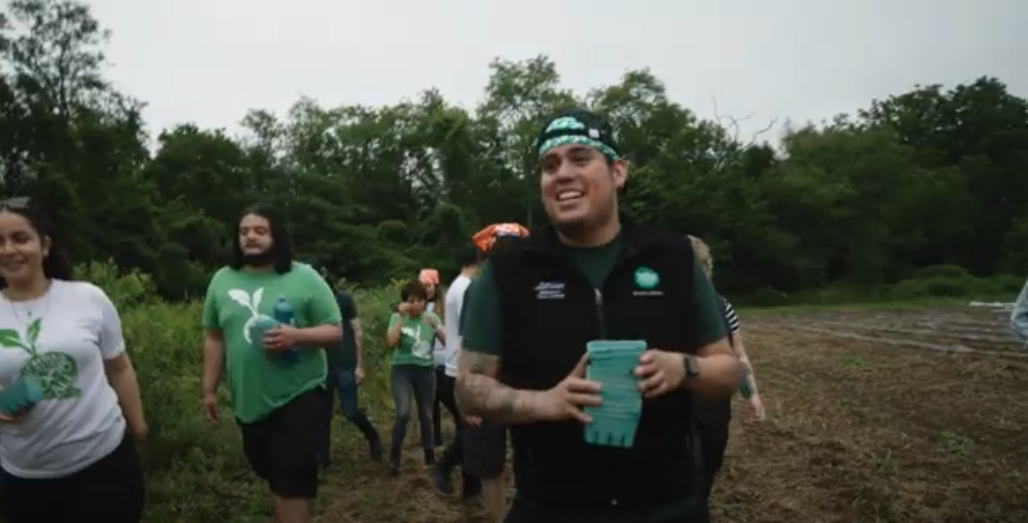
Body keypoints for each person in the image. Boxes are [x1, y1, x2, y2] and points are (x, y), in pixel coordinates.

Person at [455, 109, 743, 523]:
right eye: (550, 166)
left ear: (618, 172)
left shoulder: (674, 258)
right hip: (551, 508)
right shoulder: (508, 269)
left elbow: (728, 372)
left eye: (580, 158)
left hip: (668, 507)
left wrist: (682, 368)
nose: (562, 174)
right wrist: (545, 403)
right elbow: (468, 387)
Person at [0, 197, 146, 523]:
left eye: (20, 238)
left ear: (45, 244)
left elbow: (119, 367)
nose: (8, 250)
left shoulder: (87, 298)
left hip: (104, 466)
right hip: (24, 480)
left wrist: (139, 428)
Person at [202, 204, 342, 523]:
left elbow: (335, 331)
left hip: (299, 392)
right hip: (249, 400)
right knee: (273, 474)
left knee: (291, 477)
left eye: (260, 231)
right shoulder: (222, 281)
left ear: (276, 236)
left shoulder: (303, 277)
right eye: (244, 231)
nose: (251, 237)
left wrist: (296, 336)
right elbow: (214, 337)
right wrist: (208, 388)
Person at [688, 235, 766, 502]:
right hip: (675, 403)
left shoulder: (723, 308)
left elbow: (739, 355)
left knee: (709, 464)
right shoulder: (657, 306)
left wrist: (752, 393)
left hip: (713, 403)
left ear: (707, 271)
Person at [430, 244, 481, 498]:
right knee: (472, 430)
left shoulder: (455, 287)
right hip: (459, 369)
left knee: (471, 430)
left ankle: (471, 487)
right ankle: (443, 468)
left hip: (454, 368)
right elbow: (470, 332)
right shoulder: (466, 289)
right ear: (478, 262)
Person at [316, 281, 383, 469]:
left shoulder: (344, 300)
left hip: (346, 363)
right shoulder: (312, 302)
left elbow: (358, 332)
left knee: (350, 411)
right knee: (322, 414)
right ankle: (323, 459)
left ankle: (372, 436)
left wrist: (359, 365)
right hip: (323, 366)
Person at [386, 279, 445, 473]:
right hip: (402, 369)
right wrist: (401, 317)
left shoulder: (431, 318)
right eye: (413, 300)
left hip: (425, 371)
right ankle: (394, 456)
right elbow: (392, 342)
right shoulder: (397, 317)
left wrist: (436, 328)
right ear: (405, 302)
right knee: (403, 413)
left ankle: (429, 455)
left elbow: (447, 342)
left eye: (420, 300)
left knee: (426, 414)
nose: (417, 304)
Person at [420, 268, 453, 447]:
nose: (426, 289)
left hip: (444, 357)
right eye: (423, 285)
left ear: (435, 285)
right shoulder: (420, 305)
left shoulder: (445, 304)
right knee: (431, 401)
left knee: (446, 396)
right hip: (427, 358)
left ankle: (461, 424)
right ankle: (435, 436)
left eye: (429, 285)